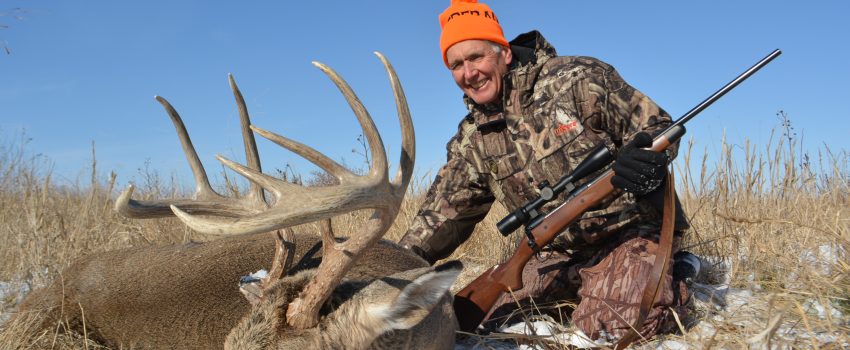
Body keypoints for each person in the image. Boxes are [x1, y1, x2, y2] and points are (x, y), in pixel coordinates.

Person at [398, 0, 692, 343]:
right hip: (553, 253)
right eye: (456, 64)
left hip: (629, 235)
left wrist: (643, 160)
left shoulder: (578, 79)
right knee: (459, 322)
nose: (468, 73)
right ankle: (589, 284)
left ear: (504, 53)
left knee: (610, 327)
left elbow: (658, 129)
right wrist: (392, 266)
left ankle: (680, 271)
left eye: (476, 57)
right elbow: (439, 218)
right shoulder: (472, 140)